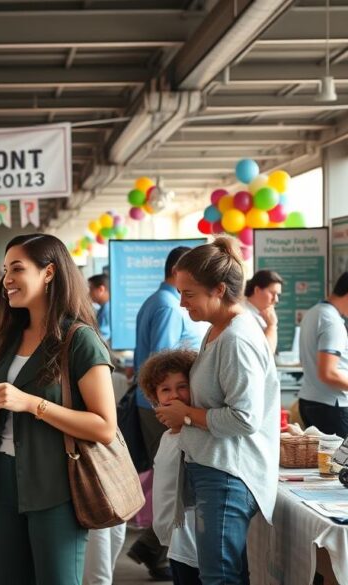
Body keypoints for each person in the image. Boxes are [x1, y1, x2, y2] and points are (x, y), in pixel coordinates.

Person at [0, 234, 118, 585]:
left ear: (49, 272)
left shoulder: (79, 340)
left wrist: (31, 404)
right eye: (5, 269)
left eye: (18, 269)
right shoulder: (9, 336)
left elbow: (104, 426)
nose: (7, 278)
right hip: (1, 485)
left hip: (57, 486)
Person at [153, 238, 279, 585]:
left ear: (219, 289)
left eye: (189, 293)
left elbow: (245, 418)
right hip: (214, 467)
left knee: (219, 577)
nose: (181, 302)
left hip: (228, 473)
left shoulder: (236, 339)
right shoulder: (216, 329)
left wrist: (187, 415)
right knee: (221, 573)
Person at [129, 245, 205, 581]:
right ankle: (158, 548)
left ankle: (155, 548)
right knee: (173, 481)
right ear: (178, 272)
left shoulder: (156, 302)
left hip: (160, 405)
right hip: (165, 408)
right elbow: (164, 363)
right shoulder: (169, 307)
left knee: (169, 480)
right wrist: (174, 403)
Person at [139, 349, 200, 585]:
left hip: (190, 539)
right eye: (165, 389)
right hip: (172, 539)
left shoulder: (194, 435)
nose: (174, 395)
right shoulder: (167, 437)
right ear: (154, 396)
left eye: (182, 386)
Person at [297, 271, 348, 438]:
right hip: (332, 406)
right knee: (343, 462)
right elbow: (328, 373)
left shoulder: (315, 312)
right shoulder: (331, 321)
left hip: (313, 400)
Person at [244, 270, 284, 354]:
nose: (276, 300)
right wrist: (272, 326)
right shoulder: (244, 315)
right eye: (272, 293)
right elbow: (266, 355)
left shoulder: (261, 314)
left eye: (278, 295)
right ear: (257, 290)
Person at [88, 274, 111, 342]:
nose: (88, 293)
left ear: (101, 289)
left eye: (91, 289)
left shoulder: (107, 309)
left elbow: (102, 337)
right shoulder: (103, 308)